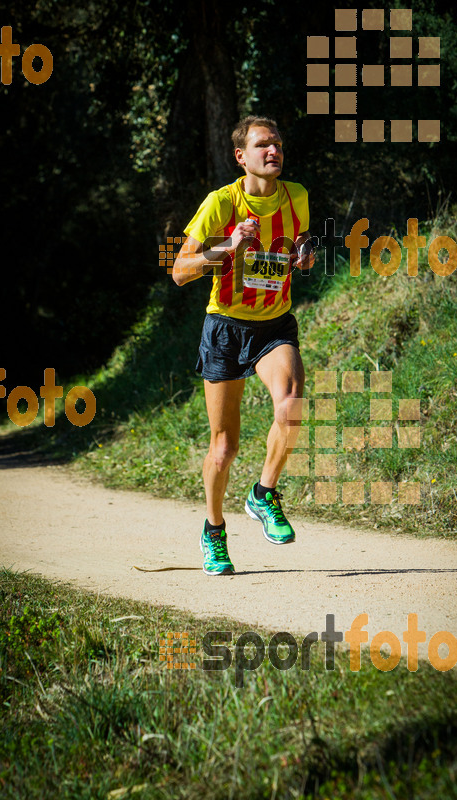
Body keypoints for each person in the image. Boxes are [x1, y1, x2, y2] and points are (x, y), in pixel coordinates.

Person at [172, 115, 314, 575]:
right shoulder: (220, 203)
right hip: (226, 328)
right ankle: (214, 531)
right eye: (262, 145)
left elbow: (302, 244)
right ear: (241, 156)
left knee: (291, 404)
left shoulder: (297, 197)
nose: (273, 151)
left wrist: (304, 255)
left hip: (274, 325)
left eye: (277, 144)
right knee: (223, 448)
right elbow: (179, 271)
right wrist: (227, 247)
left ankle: (263, 493)